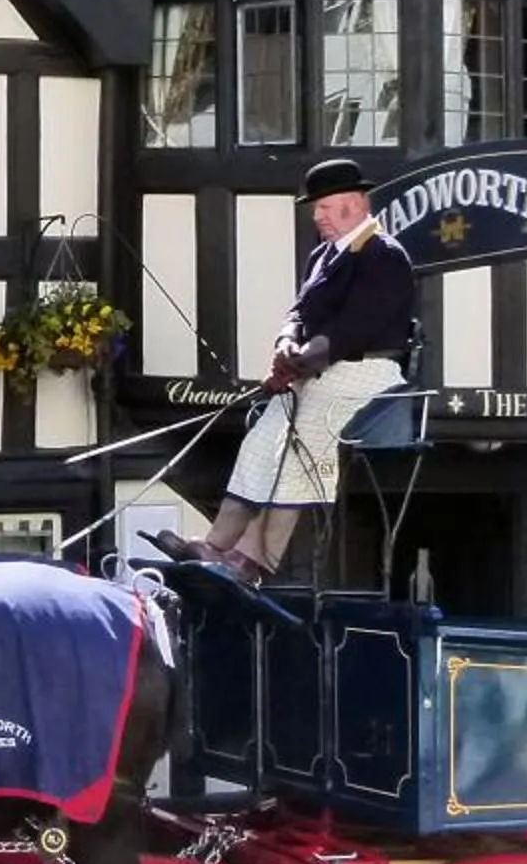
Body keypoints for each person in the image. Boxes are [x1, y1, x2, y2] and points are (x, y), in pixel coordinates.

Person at [146, 156, 417, 585]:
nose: (318, 217)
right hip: (318, 370)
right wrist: (285, 344)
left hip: (366, 374)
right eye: (317, 209)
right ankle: (219, 546)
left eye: (324, 208)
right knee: (262, 440)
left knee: (296, 448)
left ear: (354, 203)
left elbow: (354, 329)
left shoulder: (384, 255)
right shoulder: (323, 255)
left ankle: (249, 561)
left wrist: (297, 363)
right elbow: (298, 312)